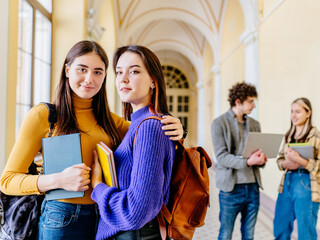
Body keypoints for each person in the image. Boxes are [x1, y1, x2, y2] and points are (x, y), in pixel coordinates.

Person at [0, 41, 184, 240]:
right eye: (82, 69)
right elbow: (7, 181)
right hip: (61, 217)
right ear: (68, 70)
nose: (89, 79)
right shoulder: (45, 115)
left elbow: (150, 136)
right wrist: (58, 180)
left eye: (98, 72)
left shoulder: (108, 120)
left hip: (103, 218)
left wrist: (179, 129)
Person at [90, 45, 175, 240]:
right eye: (119, 72)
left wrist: (98, 186)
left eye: (134, 71)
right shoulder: (138, 123)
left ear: (153, 81)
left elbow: (135, 212)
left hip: (133, 234)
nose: (123, 79)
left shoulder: (149, 127)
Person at [211, 82, 268, 240]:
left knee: (248, 235)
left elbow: (256, 155)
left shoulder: (255, 125)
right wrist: (248, 162)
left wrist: (261, 159)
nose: (253, 105)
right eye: (250, 101)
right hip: (231, 190)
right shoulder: (219, 123)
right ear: (238, 101)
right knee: (226, 234)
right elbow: (221, 157)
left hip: (253, 188)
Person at [273, 97, 320, 240]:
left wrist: (301, 161)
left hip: (307, 184)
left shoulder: (318, 137)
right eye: (292, 111)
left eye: (298, 111)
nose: (293, 115)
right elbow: (280, 160)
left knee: (306, 232)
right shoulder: (289, 136)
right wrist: (286, 164)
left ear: (308, 113)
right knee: (280, 227)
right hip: (287, 183)